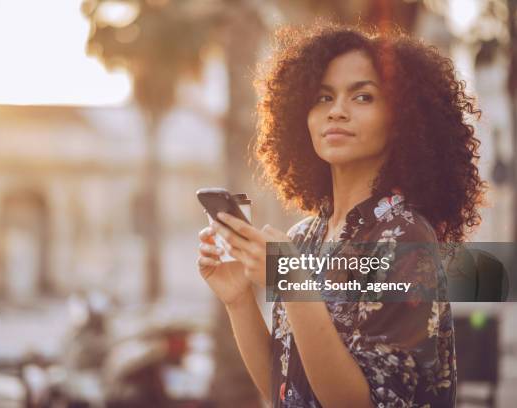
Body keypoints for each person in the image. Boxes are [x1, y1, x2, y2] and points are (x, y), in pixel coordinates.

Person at [196, 22, 486, 407]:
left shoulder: (404, 239)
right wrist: (238, 301)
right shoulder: (303, 238)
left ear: (400, 118)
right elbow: (285, 390)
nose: (337, 112)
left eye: (363, 97)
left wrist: (293, 281)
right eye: (322, 98)